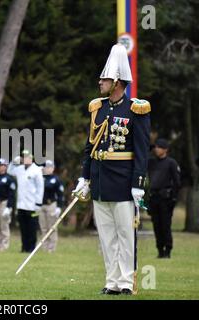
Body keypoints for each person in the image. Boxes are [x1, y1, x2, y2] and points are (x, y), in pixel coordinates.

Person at [73, 43, 151, 295]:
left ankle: (127, 281)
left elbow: (141, 150)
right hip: (99, 181)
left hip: (123, 182)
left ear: (117, 81)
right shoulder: (98, 107)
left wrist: (138, 184)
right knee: (106, 237)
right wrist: (84, 177)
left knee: (125, 235)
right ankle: (112, 281)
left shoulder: (136, 109)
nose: (100, 81)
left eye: (104, 78)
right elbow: (90, 146)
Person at [147, 139, 181, 258]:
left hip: (166, 199)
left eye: (159, 147)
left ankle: (168, 250)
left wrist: (174, 198)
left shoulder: (171, 163)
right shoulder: (151, 162)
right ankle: (160, 249)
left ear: (166, 149)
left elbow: (177, 182)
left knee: (165, 225)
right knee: (156, 226)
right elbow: (141, 158)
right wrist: (150, 147)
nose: (157, 149)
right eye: (156, 147)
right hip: (154, 197)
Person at [8, 149, 44, 253]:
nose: (25, 159)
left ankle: (31, 248)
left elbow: (40, 188)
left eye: (27, 157)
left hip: (33, 205)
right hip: (21, 204)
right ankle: (24, 247)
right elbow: (10, 171)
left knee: (32, 228)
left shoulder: (36, 170)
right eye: (24, 157)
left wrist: (38, 203)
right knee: (23, 228)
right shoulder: (19, 169)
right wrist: (13, 162)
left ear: (31, 158)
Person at [40, 160, 64, 252]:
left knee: (52, 227)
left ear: (53, 168)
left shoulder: (56, 179)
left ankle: (51, 248)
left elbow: (60, 194)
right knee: (43, 227)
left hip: (51, 205)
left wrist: (59, 207)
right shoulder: (40, 177)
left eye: (49, 167)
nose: (47, 169)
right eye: (45, 167)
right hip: (41, 205)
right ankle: (44, 247)